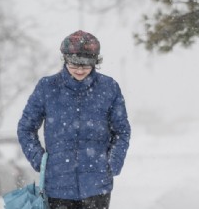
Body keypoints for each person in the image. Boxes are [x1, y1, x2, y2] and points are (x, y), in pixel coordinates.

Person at [17, 30, 131, 209]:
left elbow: (122, 131)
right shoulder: (47, 87)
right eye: (74, 64)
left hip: (97, 186)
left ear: (95, 62)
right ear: (65, 59)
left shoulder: (109, 88)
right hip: (57, 187)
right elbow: (26, 128)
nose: (79, 70)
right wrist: (40, 161)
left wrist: (112, 163)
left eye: (86, 65)